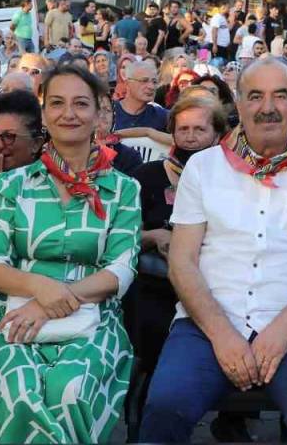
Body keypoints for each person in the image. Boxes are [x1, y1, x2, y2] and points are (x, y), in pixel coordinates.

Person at [139, 57, 287, 443]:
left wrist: (281, 331)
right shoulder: (202, 168)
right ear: (238, 104)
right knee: (165, 405)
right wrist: (222, 335)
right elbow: (182, 262)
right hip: (205, 326)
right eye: (255, 96)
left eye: (280, 95)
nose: (268, 107)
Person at [0, 64, 141, 443]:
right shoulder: (12, 184)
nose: (69, 113)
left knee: (69, 389)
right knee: (20, 391)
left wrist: (49, 303)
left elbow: (120, 271)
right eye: (57, 103)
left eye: (80, 103)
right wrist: (39, 288)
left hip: (94, 319)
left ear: (99, 113)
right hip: (12, 316)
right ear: (44, 113)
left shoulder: (124, 189)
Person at [125, 92, 227, 376]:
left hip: (214, 286)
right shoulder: (146, 176)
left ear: (217, 135)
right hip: (156, 284)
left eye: (200, 130)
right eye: (183, 129)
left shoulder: (231, 181)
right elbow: (123, 236)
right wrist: (155, 236)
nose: (190, 138)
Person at [113, 60, 169, 134]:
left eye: (154, 82)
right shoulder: (109, 112)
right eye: (144, 81)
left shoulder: (161, 116)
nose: (151, 87)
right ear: (127, 84)